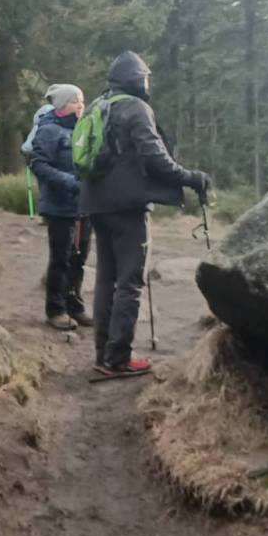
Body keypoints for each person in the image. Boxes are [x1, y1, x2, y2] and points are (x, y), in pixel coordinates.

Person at [80, 52, 211, 376]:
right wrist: (192, 178)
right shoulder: (136, 108)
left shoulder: (98, 105)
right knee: (130, 282)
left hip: (96, 202)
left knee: (106, 280)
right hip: (127, 207)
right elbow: (155, 157)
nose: (147, 84)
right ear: (136, 79)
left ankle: (103, 354)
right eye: (145, 78)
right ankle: (118, 359)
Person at [28, 84, 92, 332]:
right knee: (61, 260)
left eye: (82, 101)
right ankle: (56, 310)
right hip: (59, 207)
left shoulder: (84, 129)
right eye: (75, 101)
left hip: (84, 207)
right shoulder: (48, 130)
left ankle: (75, 307)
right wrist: (70, 183)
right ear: (62, 106)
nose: (81, 106)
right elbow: (39, 165)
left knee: (79, 258)